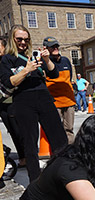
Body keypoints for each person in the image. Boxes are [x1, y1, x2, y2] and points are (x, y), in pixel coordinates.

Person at [0, 25, 68, 182]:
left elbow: (53, 73)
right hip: (23, 100)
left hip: (44, 97)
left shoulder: (33, 55)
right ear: (12, 39)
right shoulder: (7, 59)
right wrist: (26, 70)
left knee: (60, 139)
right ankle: (35, 182)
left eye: (26, 39)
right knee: (30, 144)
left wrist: (46, 59)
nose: (23, 42)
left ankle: (64, 175)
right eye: (19, 39)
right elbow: (9, 83)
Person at [43, 36, 76, 144]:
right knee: (55, 129)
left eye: (56, 46)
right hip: (54, 102)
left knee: (69, 129)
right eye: (52, 47)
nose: (55, 48)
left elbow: (70, 78)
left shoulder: (65, 61)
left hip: (68, 100)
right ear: (46, 48)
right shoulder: (44, 63)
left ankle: (70, 150)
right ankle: (58, 152)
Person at [0, 36, 26, 169]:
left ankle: (25, 156)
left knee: (18, 130)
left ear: (5, 47)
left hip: (12, 101)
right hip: (2, 103)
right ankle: (21, 156)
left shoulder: (9, 60)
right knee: (11, 130)